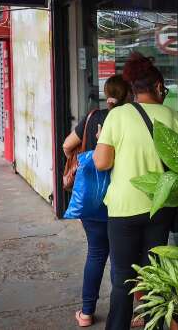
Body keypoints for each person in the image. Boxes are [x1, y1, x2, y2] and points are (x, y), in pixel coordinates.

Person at [93, 52, 178, 330]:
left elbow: (101, 162)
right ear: (158, 87)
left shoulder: (117, 116)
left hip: (124, 209)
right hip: (160, 208)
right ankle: (153, 325)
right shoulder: (173, 116)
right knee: (153, 277)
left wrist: (104, 143)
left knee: (122, 279)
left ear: (133, 89)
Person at [62, 75, 131, 328]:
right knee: (120, 257)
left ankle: (87, 312)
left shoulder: (92, 118)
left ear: (106, 93)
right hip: (120, 198)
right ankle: (122, 314)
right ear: (129, 95)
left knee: (96, 253)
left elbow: (67, 145)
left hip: (90, 199)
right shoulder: (128, 120)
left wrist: (79, 158)